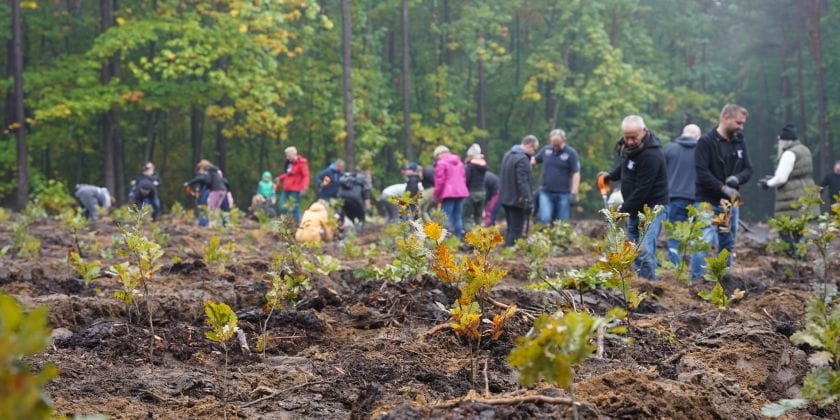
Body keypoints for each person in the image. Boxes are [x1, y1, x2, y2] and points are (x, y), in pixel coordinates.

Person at [599, 116, 668, 280]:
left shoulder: (652, 155)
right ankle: (638, 282)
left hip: (652, 208)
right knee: (632, 248)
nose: (629, 141)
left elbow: (642, 189)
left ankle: (650, 286)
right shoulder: (631, 149)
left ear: (644, 131)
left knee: (643, 248)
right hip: (635, 207)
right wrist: (609, 176)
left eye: (633, 137)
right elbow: (625, 167)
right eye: (626, 137)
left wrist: (622, 211)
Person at [690, 104, 752, 279]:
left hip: (729, 204)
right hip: (707, 201)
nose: (741, 127)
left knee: (727, 242)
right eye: (739, 123)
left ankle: (723, 279)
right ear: (726, 118)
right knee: (703, 241)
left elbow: (749, 169)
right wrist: (722, 188)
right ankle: (697, 280)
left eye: (743, 123)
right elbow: (702, 172)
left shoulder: (739, 141)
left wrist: (737, 179)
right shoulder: (705, 142)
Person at [758, 124, 818, 249]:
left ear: (784, 140)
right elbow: (797, 172)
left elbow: (781, 178)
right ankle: (800, 256)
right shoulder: (804, 149)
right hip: (806, 191)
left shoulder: (789, 153)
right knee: (799, 229)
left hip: (791, 195)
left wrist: (767, 183)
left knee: (784, 228)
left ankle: (792, 255)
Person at [663, 124, 701, 265]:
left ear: (682, 134)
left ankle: (675, 267)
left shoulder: (669, 149)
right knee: (699, 237)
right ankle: (697, 271)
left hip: (675, 198)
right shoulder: (702, 151)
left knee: (675, 236)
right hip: (698, 200)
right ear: (698, 137)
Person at [534, 129, 580, 223]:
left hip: (563, 193)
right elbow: (534, 160)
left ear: (563, 140)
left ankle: (558, 237)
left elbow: (575, 173)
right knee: (544, 218)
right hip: (546, 192)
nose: (554, 145)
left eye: (557, 143)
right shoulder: (546, 150)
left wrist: (574, 193)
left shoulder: (571, 153)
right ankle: (543, 237)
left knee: (561, 222)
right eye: (553, 142)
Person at [500, 135, 539, 246]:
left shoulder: (507, 155)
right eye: (534, 148)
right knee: (517, 229)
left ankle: (505, 251)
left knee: (510, 227)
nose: (533, 152)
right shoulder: (522, 159)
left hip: (505, 197)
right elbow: (523, 181)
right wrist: (527, 199)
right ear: (530, 145)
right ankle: (510, 253)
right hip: (517, 199)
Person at [433, 145, 470, 239]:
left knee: (446, 217)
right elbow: (463, 177)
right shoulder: (459, 162)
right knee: (458, 217)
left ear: (438, 154)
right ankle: (457, 239)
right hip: (461, 192)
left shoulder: (441, 163)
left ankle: (446, 240)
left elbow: (440, 181)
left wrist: (437, 195)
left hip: (448, 193)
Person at [185, 160, 231, 225]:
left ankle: (204, 225)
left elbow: (200, 189)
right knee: (220, 211)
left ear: (203, 168)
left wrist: (189, 183)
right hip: (222, 194)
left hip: (210, 195)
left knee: (206, 210)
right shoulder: (217, 175)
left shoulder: (207, 175)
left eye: (199, 169)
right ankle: (225, 224)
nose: (199, 171)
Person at [276, 147, 310, 224]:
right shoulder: (290, 164)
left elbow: (306, 176)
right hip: (286, 189)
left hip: (296, 190)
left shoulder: (302, 163)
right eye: (286, 155)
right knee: (282, 206)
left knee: (294, 208)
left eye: (288, 155)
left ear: (294, 154)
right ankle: (283, 223)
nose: (287, 157)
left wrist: (305, 187)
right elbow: (288, 175)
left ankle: (297, 224)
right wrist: (280, 178)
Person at [463, 144, 488, 231]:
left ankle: (470, 238)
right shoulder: (483, 166)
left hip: (471, 192)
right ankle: (480, 238)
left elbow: (466, 180)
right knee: (478, 217)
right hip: (482, 193)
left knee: (467, 217)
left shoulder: (469, 166)